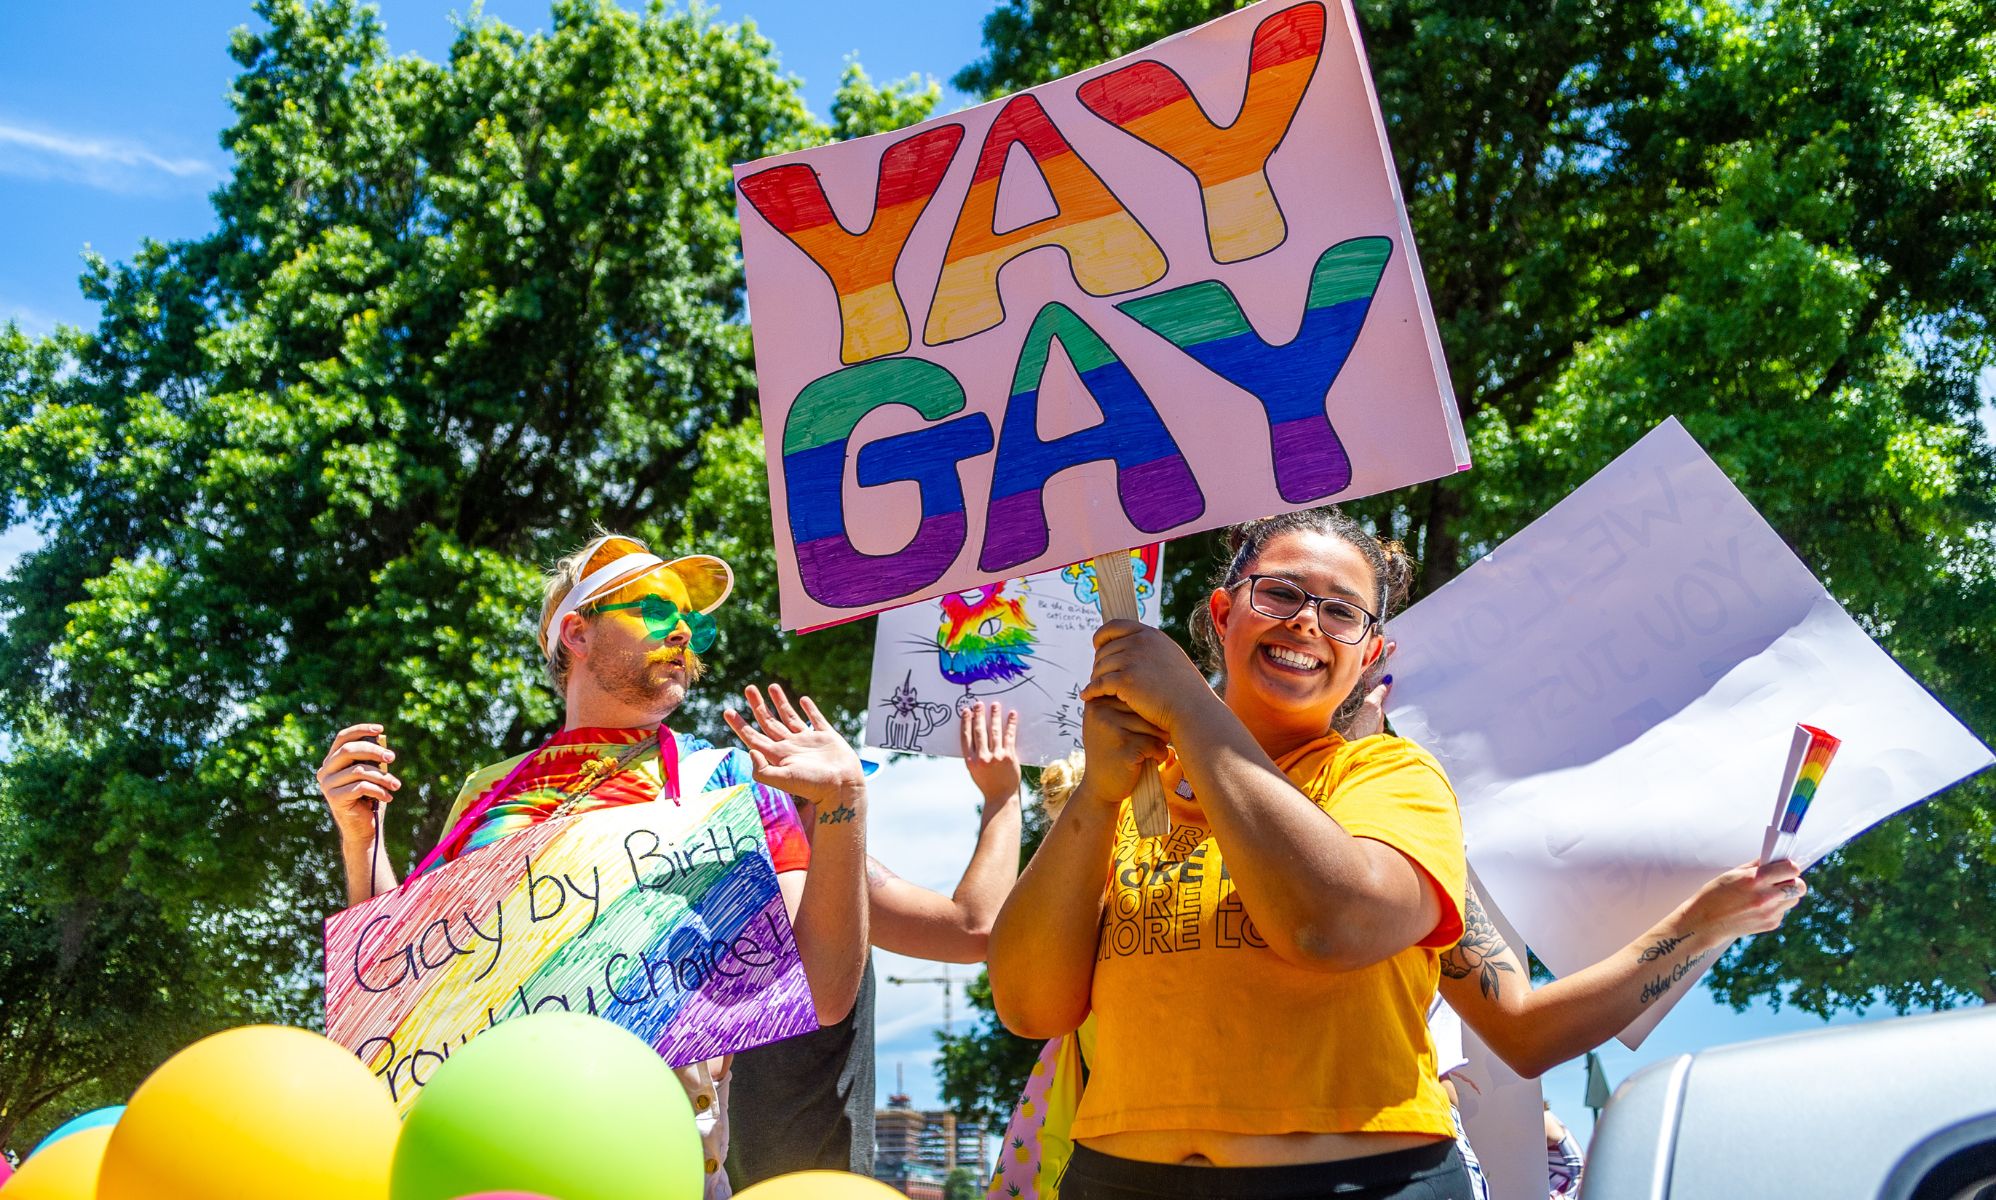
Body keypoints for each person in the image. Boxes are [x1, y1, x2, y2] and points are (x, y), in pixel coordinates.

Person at [988, 509, 1477, 1199]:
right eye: (1279, 593)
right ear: (1223, 614)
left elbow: (1329, 925)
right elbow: (1029, 1006)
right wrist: (1096, 797)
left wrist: (1189, 708)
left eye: (1342, 614)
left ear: (1369, 657)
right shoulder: (1130, 793)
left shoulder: (1391, 777)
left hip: (1356, 1183)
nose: (1307, 622)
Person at [724, 697, 1024, 1189]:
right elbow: (975, 928)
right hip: (821, 1182)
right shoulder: (822, 873)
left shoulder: (686, 884)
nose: (842, 815)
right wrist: (1002, 798)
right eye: (821, 797)